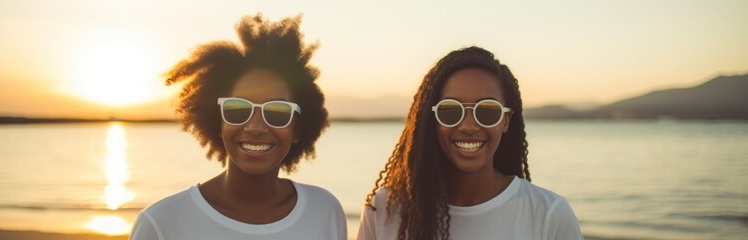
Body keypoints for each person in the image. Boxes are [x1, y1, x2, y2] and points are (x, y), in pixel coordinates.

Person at [129, 14, 346, 240]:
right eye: (238, 109)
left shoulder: (324, 211)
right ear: (218, 122)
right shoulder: (162, 222)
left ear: (297, 129)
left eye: (278, 112)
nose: (255, 126)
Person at [357, 46, 582, 240]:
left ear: (506, 120)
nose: (468, 126)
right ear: (431, 119)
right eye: (450, 110)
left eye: (486, 111)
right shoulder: (384, 210)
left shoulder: (549, 214)